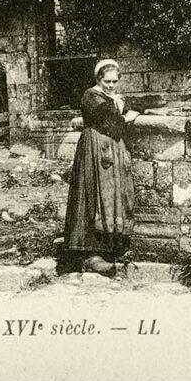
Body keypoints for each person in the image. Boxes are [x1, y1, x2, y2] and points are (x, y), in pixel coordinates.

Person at [61, 59, 139, 275]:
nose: (111, 85)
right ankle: (90, 254)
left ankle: (111, 249)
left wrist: (125, 113)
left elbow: (128, 113)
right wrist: (125, 116)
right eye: (107, 81)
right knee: (93, 195)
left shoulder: (115, 97)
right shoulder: (91, 96)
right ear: (98, 79)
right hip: (94, 150)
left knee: (112, 197)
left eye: (115, 81)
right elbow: (111, 122)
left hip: (113, 150)